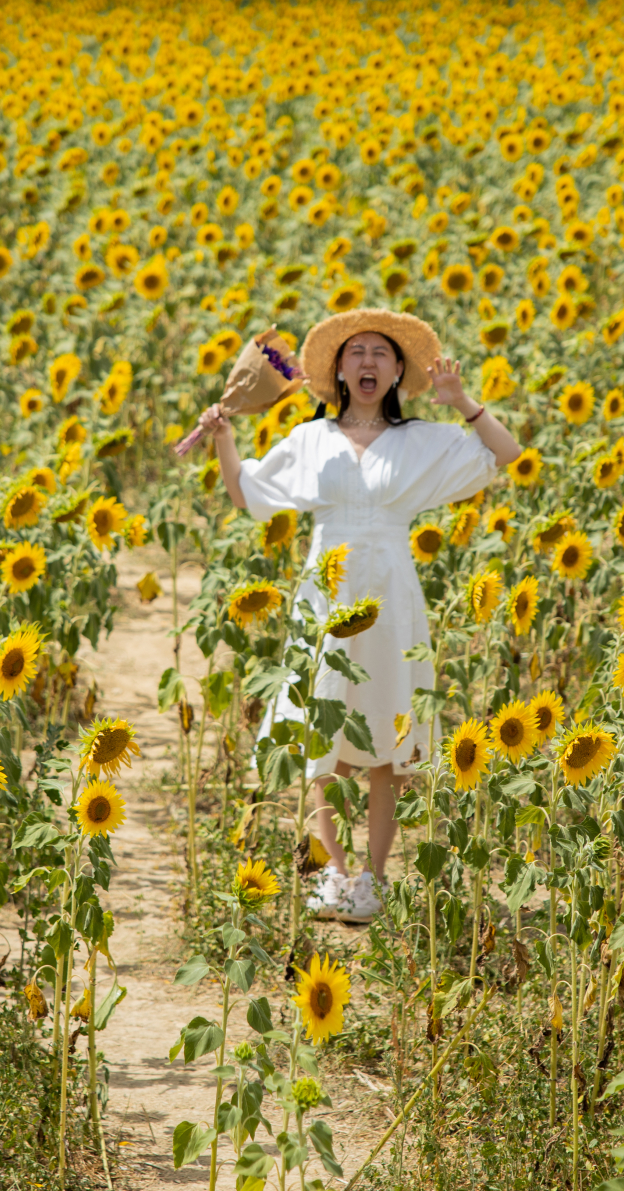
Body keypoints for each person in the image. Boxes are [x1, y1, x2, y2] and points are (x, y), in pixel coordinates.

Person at [192, 308, 522, 924]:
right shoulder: (309, 439)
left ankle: (372, 879)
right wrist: (224, 435)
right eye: (356, 352)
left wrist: (462, 400)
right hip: (326, 592)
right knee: (325, 732)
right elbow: (248, 494)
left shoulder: (422, 439)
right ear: (338, 369)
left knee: (387, 739)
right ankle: (333, 874)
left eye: (381, 353)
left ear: (399, 370)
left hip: (393, 598)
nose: (368, 362)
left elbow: (504, 451)